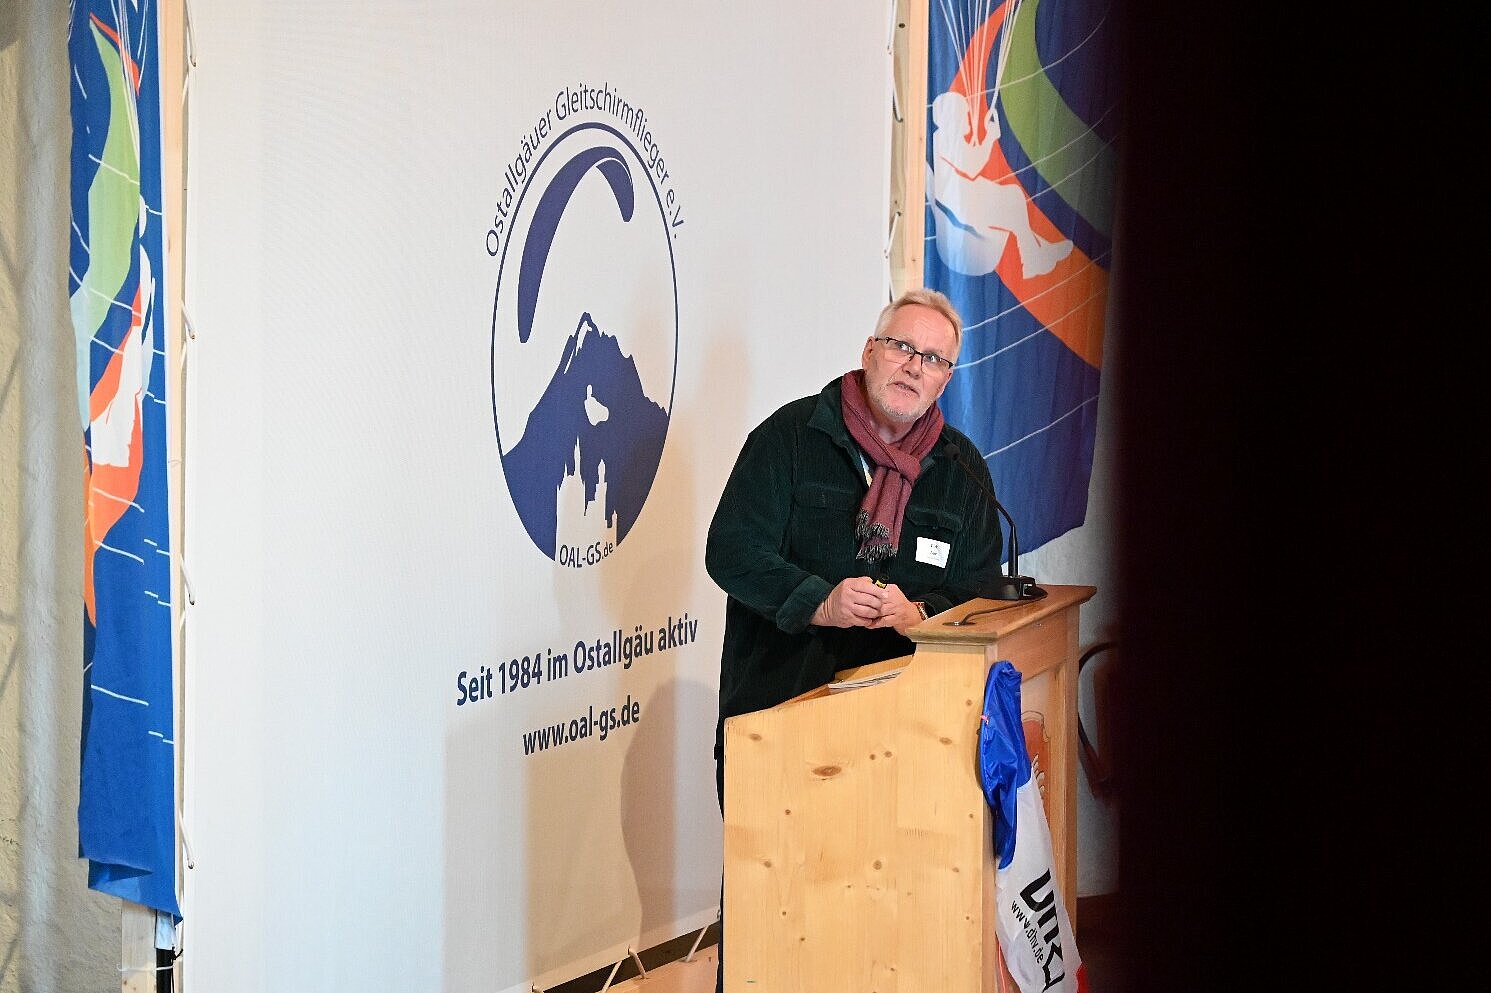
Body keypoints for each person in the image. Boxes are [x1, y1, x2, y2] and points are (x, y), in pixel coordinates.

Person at [703, 287, 1006, 991]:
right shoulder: (788, 440)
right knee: (769, 926)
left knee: (877, 934)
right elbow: (732, 552)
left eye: (933, 359)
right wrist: (821, 601)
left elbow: (981, 592)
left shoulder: (961, 471)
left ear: (946, 379)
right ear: (869, 352)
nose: (913, 366)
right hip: (780, 716)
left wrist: (920, 612)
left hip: (911, 738)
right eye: (901, 347)